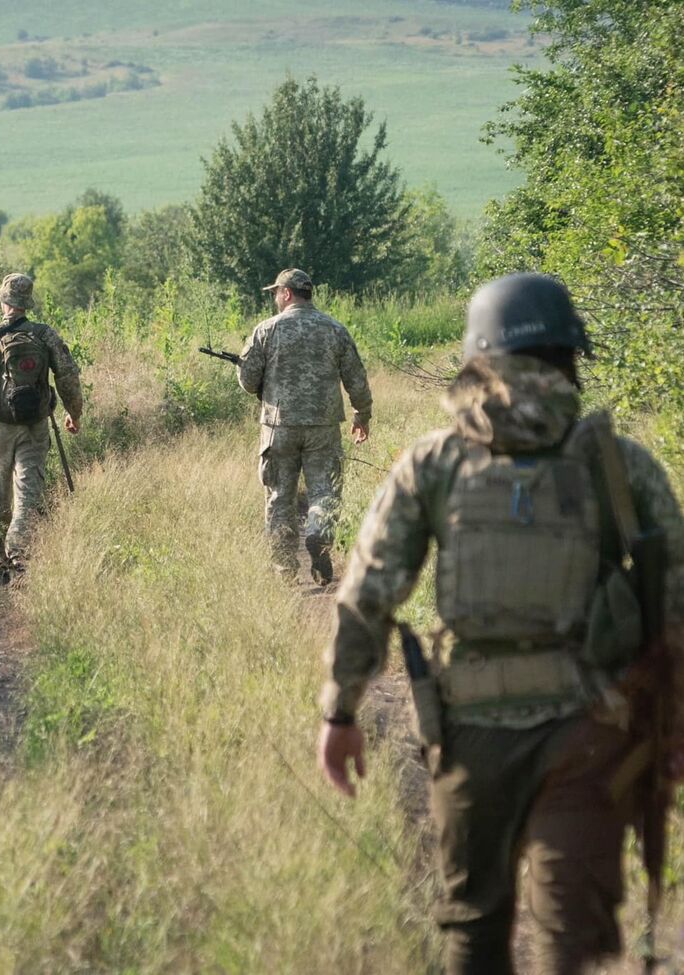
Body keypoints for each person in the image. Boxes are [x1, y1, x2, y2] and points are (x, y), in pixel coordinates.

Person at [317, 273, 684, 974]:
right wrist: (674, 729)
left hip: (469, 737)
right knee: (569, 939)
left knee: (473, 924)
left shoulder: (435, 461)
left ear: (477, 358)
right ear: (569, 357)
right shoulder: (619, 463)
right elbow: (676, 605)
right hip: (591, 733)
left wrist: (340, 711)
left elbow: (367, 593)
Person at [237, 268, 372, 584]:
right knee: (324, 490)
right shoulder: (335, 329)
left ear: (286, 293)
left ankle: (285, 570)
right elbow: (356, 378)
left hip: (279, 427)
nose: (275, 298)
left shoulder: (267, 329)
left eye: (276, 293)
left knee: (279, 498)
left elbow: (248, 381)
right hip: (323, 427)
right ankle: (319, 537)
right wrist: (362, 415)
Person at [0, 272, 83, 576]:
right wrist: (74, 413)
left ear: (4, 302)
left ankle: (1, 560)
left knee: (0, 500)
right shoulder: (45, 335)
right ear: (27, 304)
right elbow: (68, 377)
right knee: (27, 496)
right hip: (34, 428)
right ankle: (20, 556)